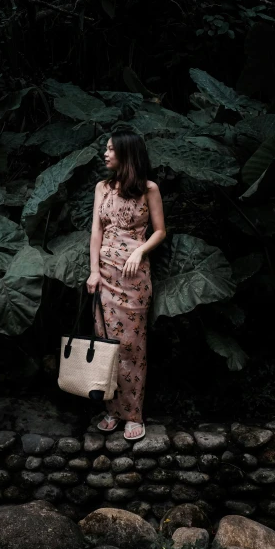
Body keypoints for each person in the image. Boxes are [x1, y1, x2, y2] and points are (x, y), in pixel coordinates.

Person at [86, 130, 166, 441]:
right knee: (106, 344)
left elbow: (160, 231)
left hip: (133, 277)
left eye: (110, 150)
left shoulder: (148, 188)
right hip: (104, 276)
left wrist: (139, 249)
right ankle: (110, 411)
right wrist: (93, 271)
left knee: (133, 347)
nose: (105, 154)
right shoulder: (102, 188)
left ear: (127, 153)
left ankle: (133, 414)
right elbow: (95, 232)